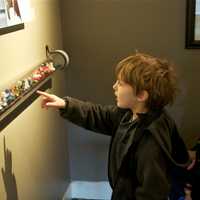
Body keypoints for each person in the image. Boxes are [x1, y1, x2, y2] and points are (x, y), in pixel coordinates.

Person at [37, 52, 190, 200]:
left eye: (121, 83)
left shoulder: (151, 142)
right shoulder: (129, 114)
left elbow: (152, 193)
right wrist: (65, 105)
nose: (114, 86)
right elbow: (99, 115)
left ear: (141, 95)